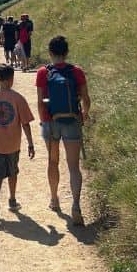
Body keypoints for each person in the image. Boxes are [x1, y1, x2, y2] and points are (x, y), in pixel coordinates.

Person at [35, 35, 91, 226]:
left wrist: (45, 121)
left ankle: (54, 199)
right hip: (72, 120)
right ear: (66, 52)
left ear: (50, 53)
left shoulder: (43, 72)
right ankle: (76, 205)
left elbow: (40, 102)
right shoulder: (76, 71)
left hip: (51, 122)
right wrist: (84, 113)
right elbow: (85, 99)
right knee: (74, 166)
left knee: (53, 161)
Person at [0, 63, 36, 225]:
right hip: (13, 144)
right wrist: (31, 144)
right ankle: (12, 199)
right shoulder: (18, 98)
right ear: (12, 79)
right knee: (12, 172)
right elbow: (25, 123)